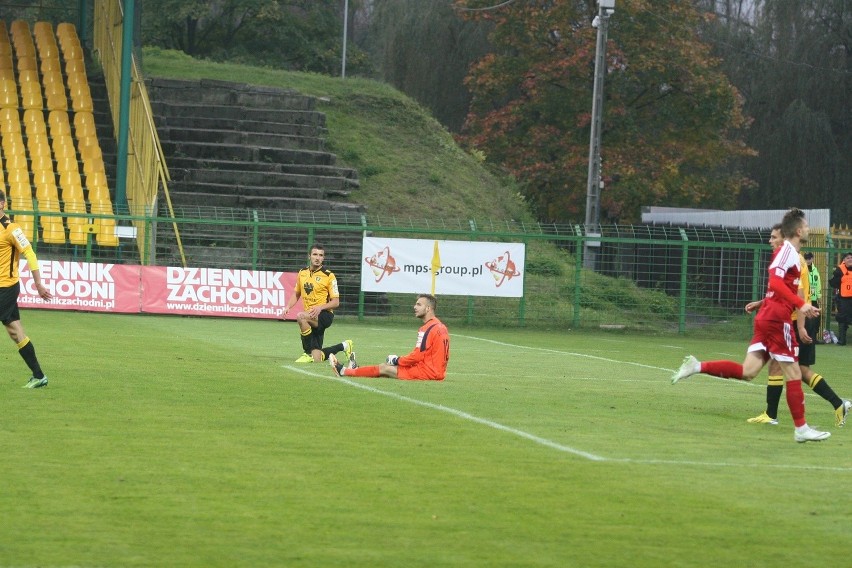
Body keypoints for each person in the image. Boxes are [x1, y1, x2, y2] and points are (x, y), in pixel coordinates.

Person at [671, 208, 830, 443]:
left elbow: (777, 286)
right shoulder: (788, 251)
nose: (808, 228)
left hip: (768, 316)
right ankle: (801, 428)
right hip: (778, 320)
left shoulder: (788, 252)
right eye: (806, 225)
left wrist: (764, 303)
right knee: (794, 372)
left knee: (748, 371)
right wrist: (800, 304)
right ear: (798, 230)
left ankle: (697, 366)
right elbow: (776, 282)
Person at [745, 227, 850, 427]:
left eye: (774, 237)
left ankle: (771, 414)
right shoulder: (792, 258)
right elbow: (784, 291)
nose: (770, 241)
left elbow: (799, 296)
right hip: (800, 317)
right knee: (799, 370)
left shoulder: (794, 260)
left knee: (779, 364)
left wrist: (800, 327)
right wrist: (761, 303)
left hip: (797, 319)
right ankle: (839, 404)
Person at [0, 190, 53, 387]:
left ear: (2, 204)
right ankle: (39, 376)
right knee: (15, 332)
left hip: (6, 287)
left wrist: (38, 283)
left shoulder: (12, 229)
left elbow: (29, 254)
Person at [329, 294, 450, 381]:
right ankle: (353, 369)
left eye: (419, 304)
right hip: (436, 371)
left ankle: (344, 371)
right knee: (386, 369)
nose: (414, 307)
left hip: (428, 372)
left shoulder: (427, 328)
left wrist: (397, 360)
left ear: (428, 308)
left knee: (385, 368)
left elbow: (417, 356)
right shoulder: (441, 326)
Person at [282, 243, 352, 363]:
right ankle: (344, 346)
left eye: (321, 255)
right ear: (309, 256)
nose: (317, 258)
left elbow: (336, 302)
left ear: (323, 258)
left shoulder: (329, 276)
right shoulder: (302, 272)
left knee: (301, 317)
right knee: (317, 358)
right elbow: (297, 293)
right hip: (312, 315)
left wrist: (320, 307)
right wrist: (288, 306)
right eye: (315, 254)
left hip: (324, 315)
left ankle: (307, 353)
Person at [828, 252, 852, 346]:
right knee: (842, 319)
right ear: (844, 261)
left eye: (851, 257)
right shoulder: (839, 270)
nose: (850, 259)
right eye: (848, 258)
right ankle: (842, 340)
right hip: (844, 299)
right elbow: (833, 284)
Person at [803, 252, 821, 340]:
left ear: (812, 258)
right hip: (805, 298)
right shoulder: (802, 268)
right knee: (807, 318)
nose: (808, 260)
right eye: (806, 258)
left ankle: (814, 337)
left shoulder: (815, 270)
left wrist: (819, 295)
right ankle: (806, 336)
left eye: (810, 258)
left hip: (813, 298)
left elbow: (818, 283)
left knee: (816, 318)